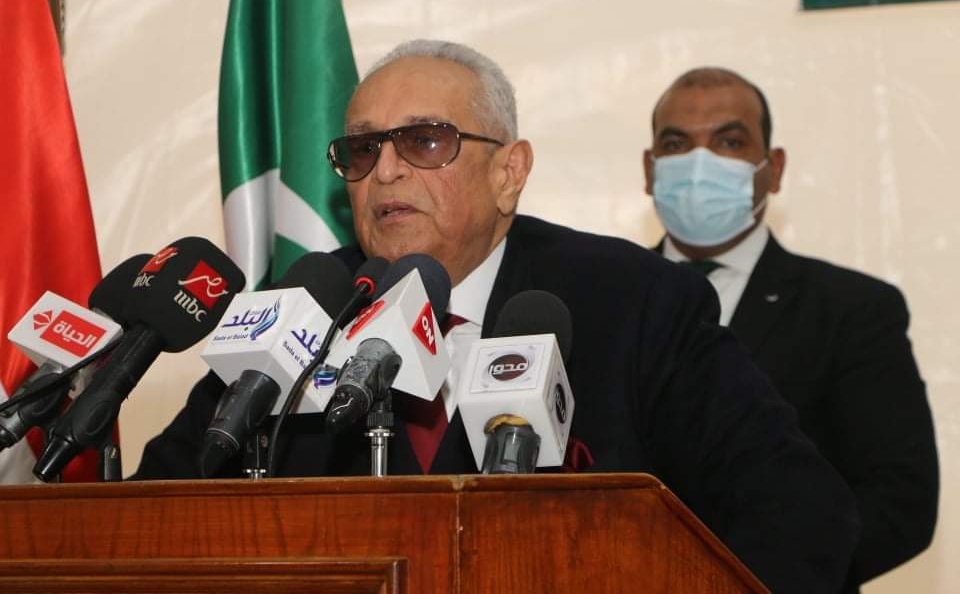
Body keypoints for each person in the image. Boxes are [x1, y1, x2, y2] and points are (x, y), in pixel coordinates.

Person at [134, 41, 860, 592]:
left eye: (423, 141)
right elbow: (148, 518)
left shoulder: (633, 300)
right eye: (362, 149)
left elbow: (801, 514)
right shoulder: (304, 310)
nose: (385, 171)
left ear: (509, 173)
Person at [643, 67, 938, 593]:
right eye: (676, 144)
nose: (699, 163)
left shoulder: (852, 310)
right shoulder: (600, 298)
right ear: (650, 169)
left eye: (729, 141)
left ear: (773, 168)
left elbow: (900, 500)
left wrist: (745, 582)